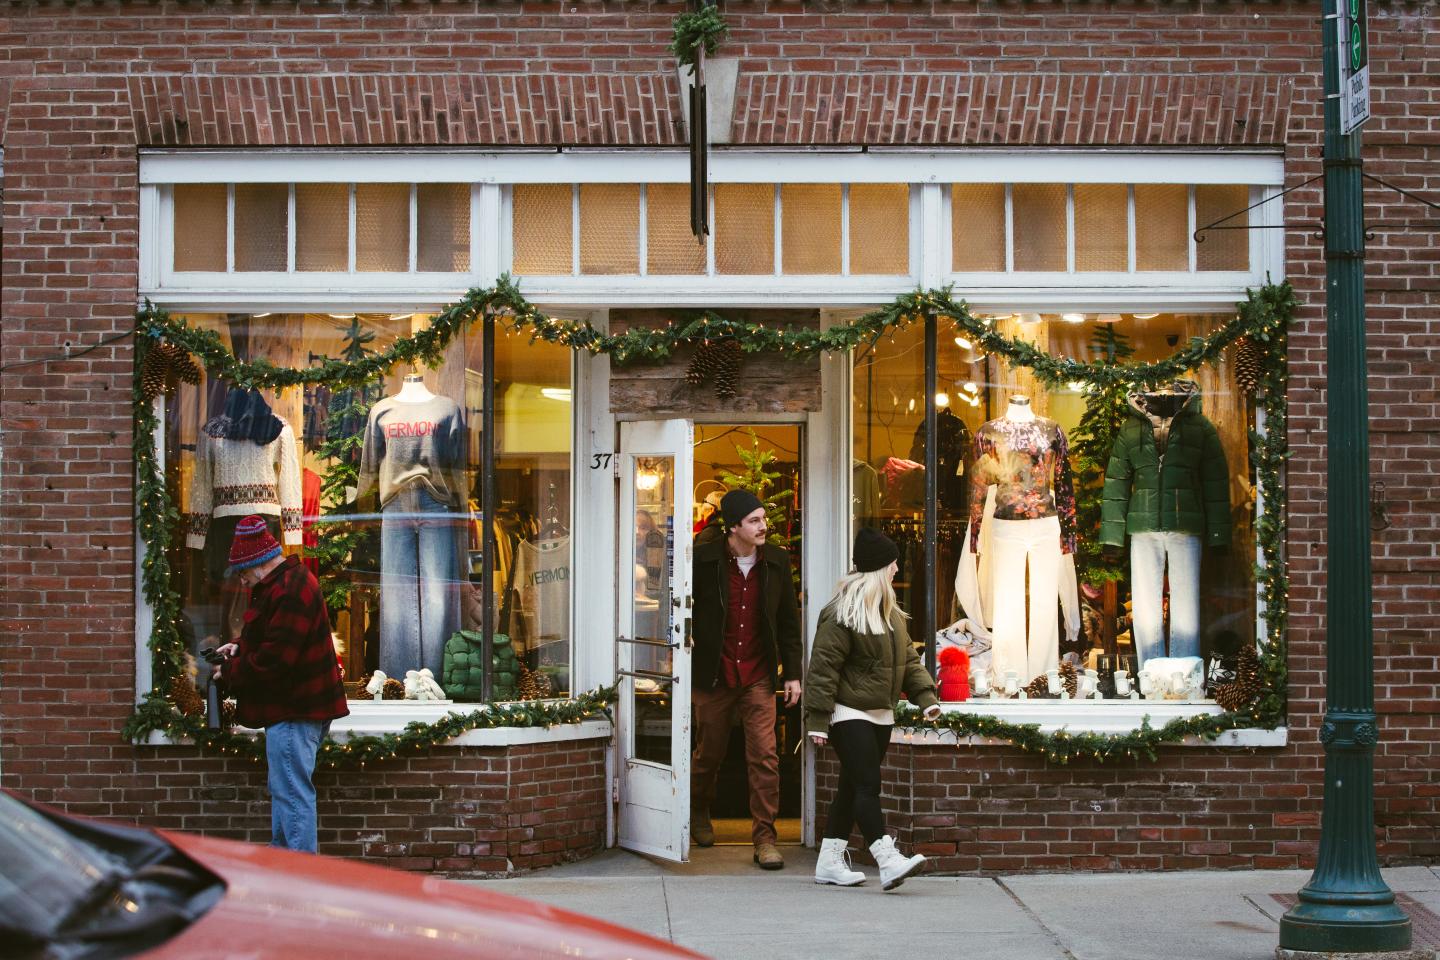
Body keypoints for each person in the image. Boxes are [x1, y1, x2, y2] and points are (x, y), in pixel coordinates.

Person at [804, 528, 941, 891]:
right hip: (848, 712)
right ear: (880, 568)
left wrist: (926, 697)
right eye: (893, 563)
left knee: (851, 788)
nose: (898, 568)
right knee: (868, 785)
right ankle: (887, 859)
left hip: (881, 713)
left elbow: (909, 660)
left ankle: (829, 863)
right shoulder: (840, 613)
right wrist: (817, 719)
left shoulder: (890, 613)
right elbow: (823, 667)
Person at [212, 515, 348, 854]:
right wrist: (239, 648)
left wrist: (229, 672)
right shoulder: (288, 584)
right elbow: (271, 640)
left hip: (295, 710)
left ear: (257, 564)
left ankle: (300, 878)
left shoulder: (289, 589)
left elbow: (275, 660)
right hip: (296, 709)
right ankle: (284, 864)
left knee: (292, 794)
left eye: (243, 573)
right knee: (286, 791)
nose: (244, 582)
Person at [691, 489, 803, 870]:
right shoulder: (703, 561)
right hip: (715, 673)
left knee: (765, 757)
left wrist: (793, 674)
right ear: (733, 526)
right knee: (709, 753)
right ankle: (699, 811)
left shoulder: (775, 561)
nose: (763, 526)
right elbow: (678, 611)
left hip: (757, 673)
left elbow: (789, 622)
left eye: (763, 519)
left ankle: (765, 838)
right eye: (754, 520)